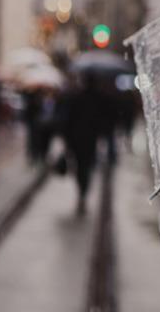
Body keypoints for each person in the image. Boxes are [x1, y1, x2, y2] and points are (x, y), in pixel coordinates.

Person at [61, 72, 101, 215]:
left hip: (77, 139)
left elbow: (68, 120)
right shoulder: (97, 99)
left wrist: (66, 139)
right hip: (89, 139)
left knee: (80, 167)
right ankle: (83, 191)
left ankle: (82, 190)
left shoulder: (76, 98)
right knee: (86, 166)